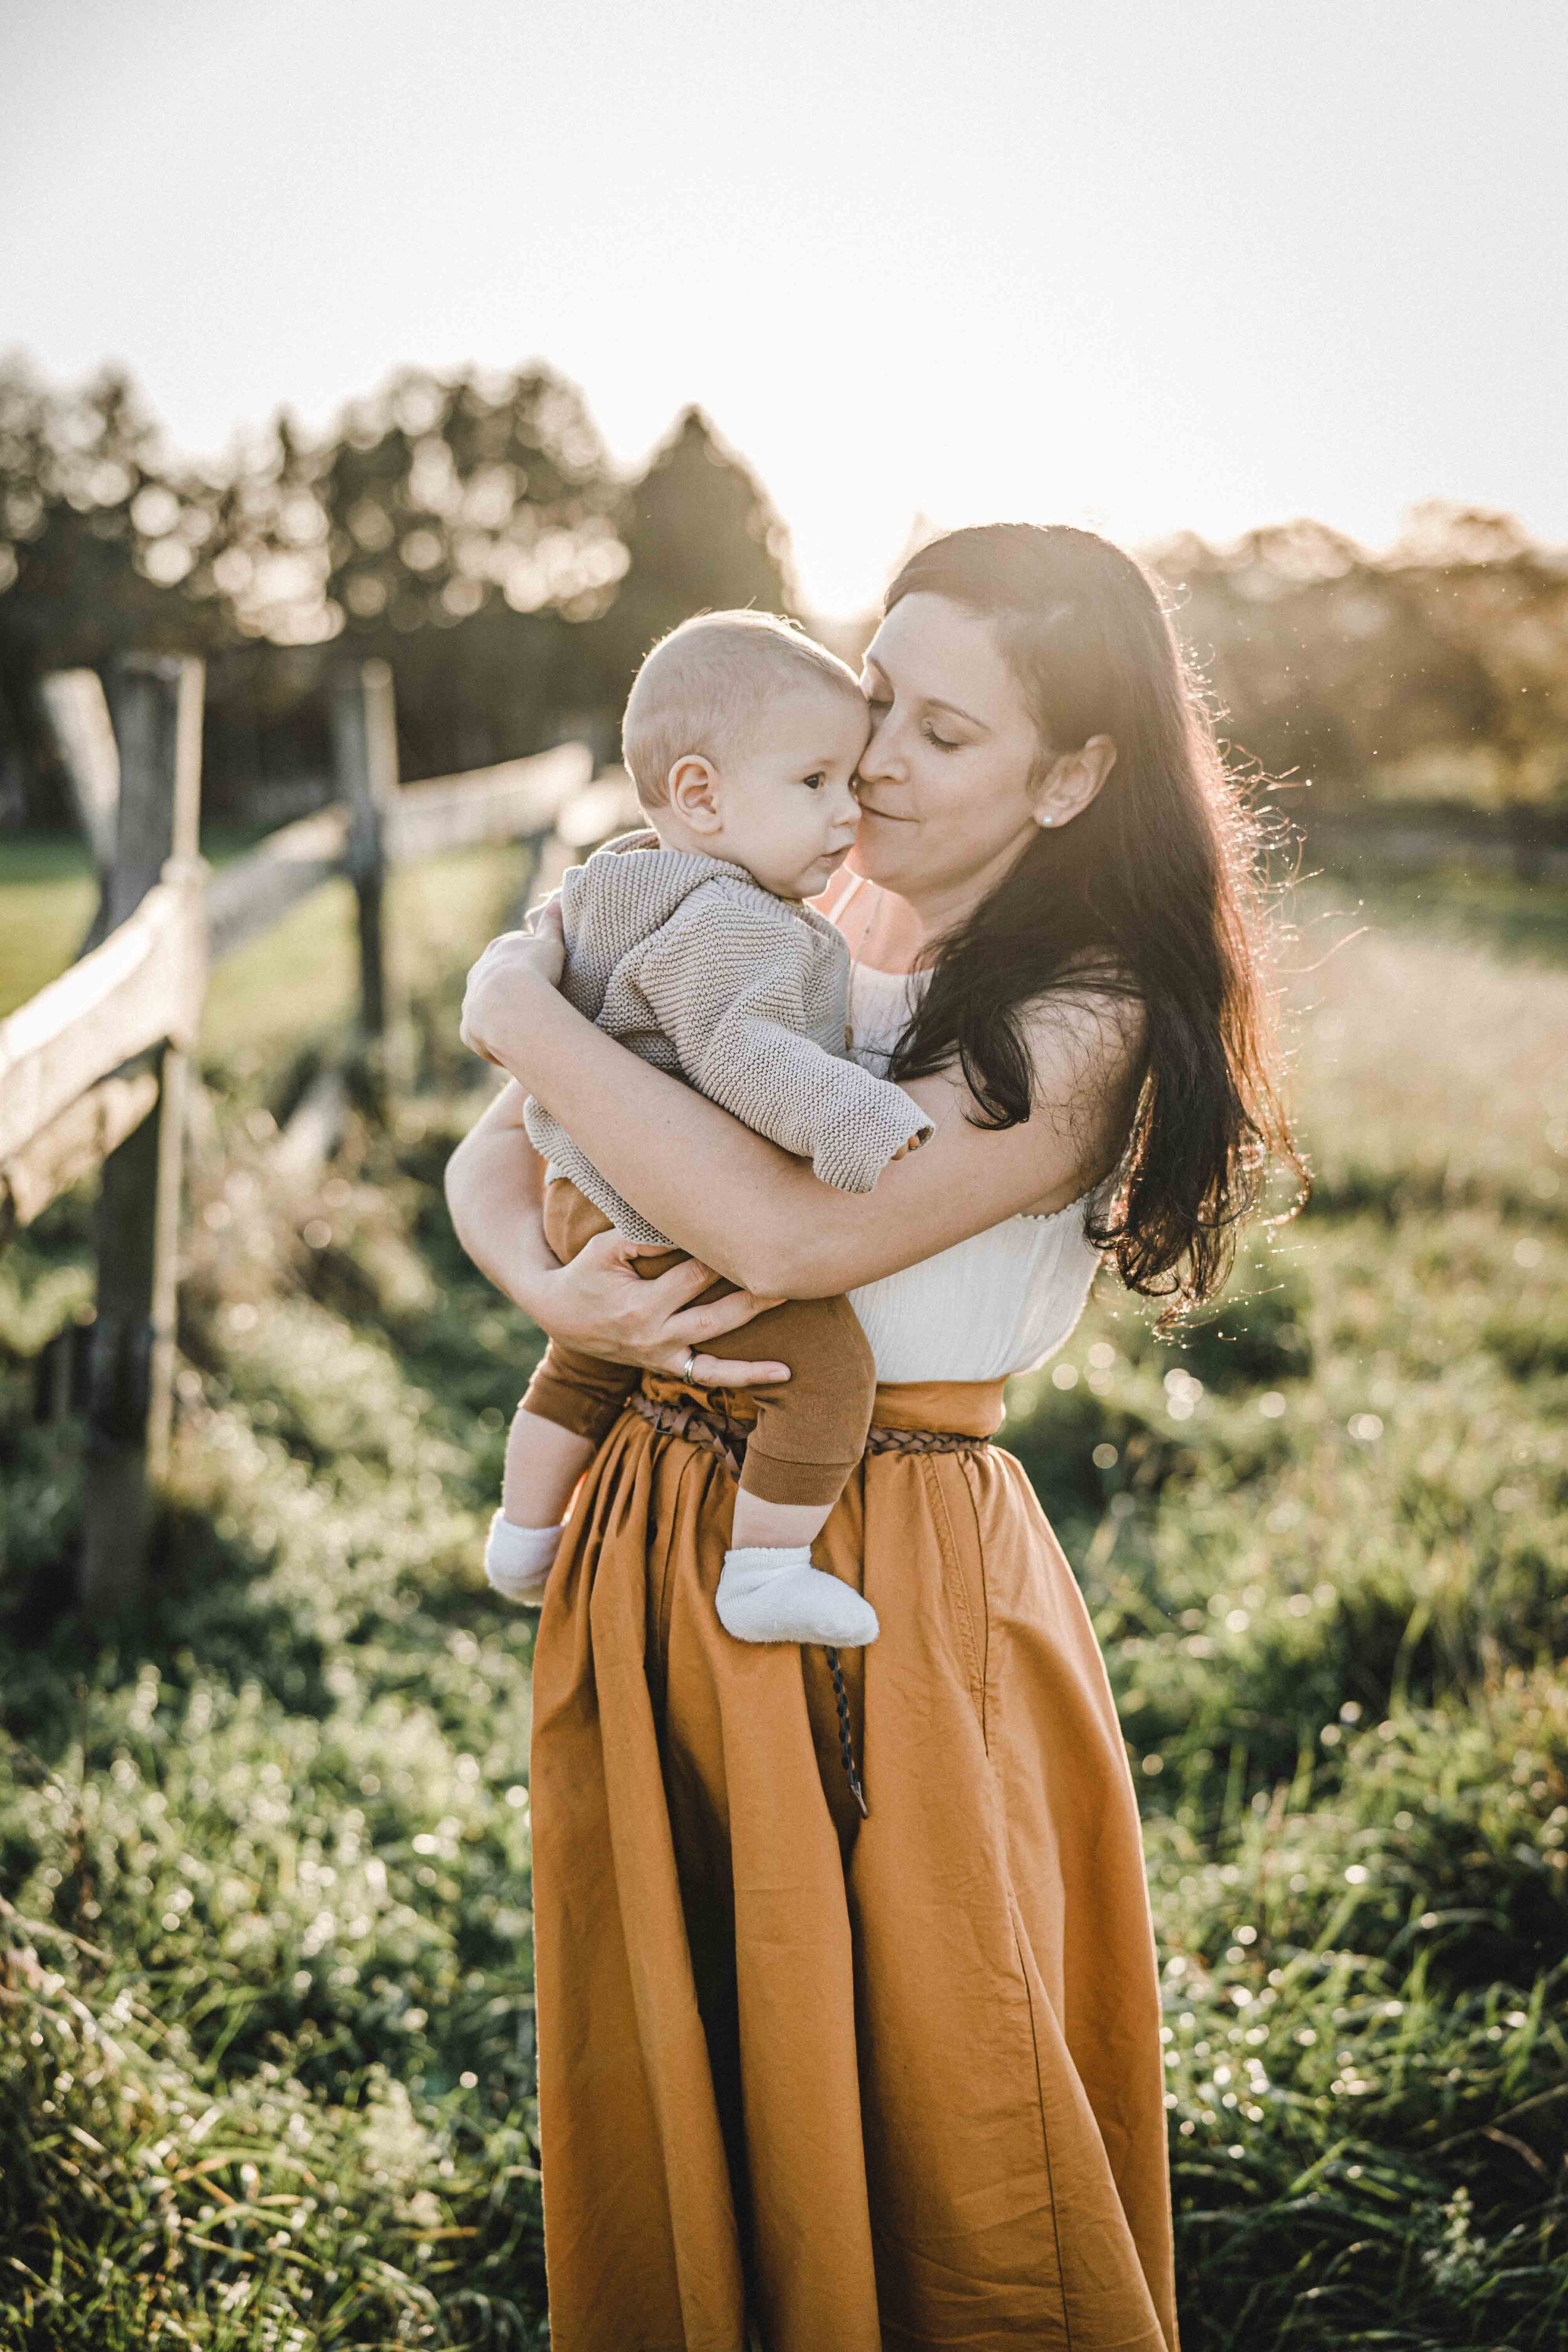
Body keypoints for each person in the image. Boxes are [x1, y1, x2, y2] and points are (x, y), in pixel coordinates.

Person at [447, 523, 1300, 2352]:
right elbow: (499, 1153)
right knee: (687, 2040)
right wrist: (549, 1283)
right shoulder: (785, 916)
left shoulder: (1088, 1022)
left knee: (936, 2075)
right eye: (874, 700)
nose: (879, 758)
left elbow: (794, 1233)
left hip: (880, 1564)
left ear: (1073, 774)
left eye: (943, 731)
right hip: (654, 1532)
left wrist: (518, 1004)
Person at [486, 612, 929, 1658]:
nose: (847, 812)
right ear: (700, 795)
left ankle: (521, 1535)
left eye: (851, 782)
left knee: (584, 1359)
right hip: (663, 1198)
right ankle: (765, 1572)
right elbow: (744, 1055)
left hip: (576, 1181)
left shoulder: (618, 879)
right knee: (823, 1372)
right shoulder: (738, 921)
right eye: (816, 783)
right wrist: (864, 1119)